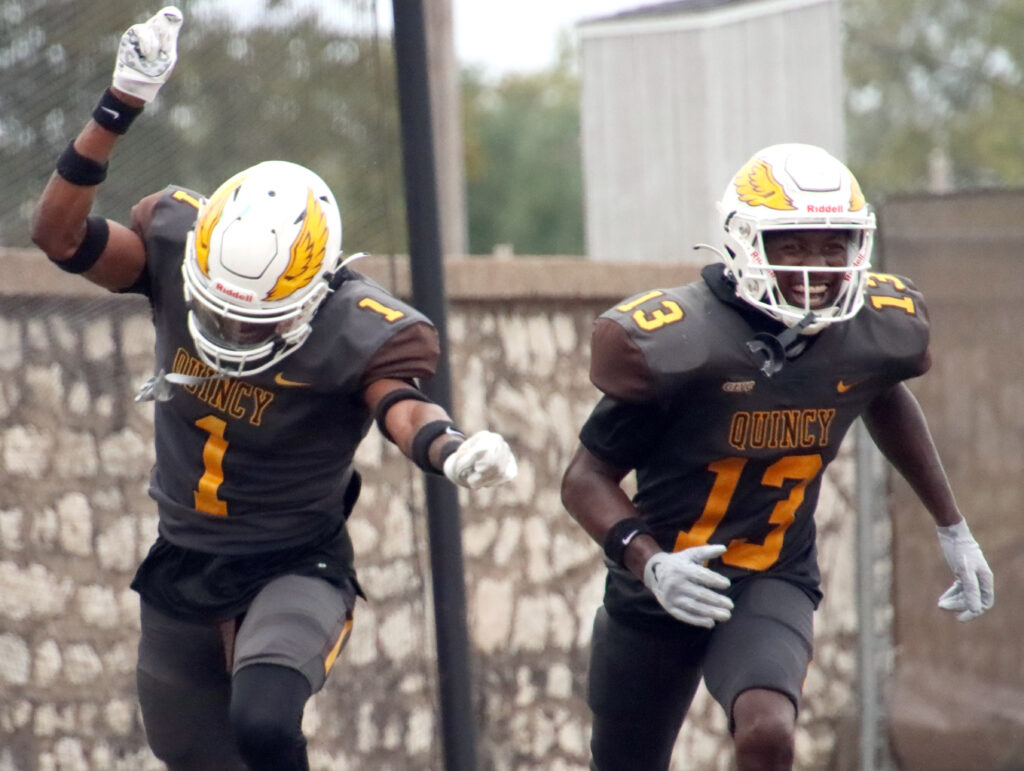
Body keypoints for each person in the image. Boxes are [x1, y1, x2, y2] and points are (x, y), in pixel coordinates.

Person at [31, 8, 517, 771]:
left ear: (315, 291)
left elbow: (400, 404)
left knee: (263, 718)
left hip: (294, 563)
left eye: (255, 321)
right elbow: (59, 236)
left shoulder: (355, 324)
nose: (232, 331)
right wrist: (117, 105)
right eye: (219, 308)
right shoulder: (173, 248)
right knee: (198, 756)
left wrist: (448, 447)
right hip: (183, 557)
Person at [560, 142, 994, 771]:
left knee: (768, 733)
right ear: (744, 244)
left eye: (832, 245)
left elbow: (882, 394)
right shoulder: (683, 340)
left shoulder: (868, 331)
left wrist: (952, 527)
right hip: (658, 585)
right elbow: (584, 477)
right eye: (792, 246)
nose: (816, 267)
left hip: (770, 575)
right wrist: (650, 563)